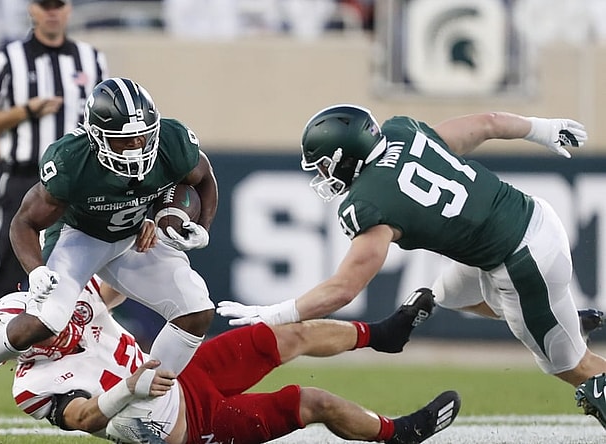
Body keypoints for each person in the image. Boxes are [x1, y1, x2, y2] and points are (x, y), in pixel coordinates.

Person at [216, 104, 606, 430]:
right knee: (448, 295)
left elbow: (342, 290)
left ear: (346, 157)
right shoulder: (403, 132)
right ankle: (560, 318)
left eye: (323, 166)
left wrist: (274, 313)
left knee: (572, 365)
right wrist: (542, 129)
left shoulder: (370, 203)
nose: (323, 177)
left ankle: (564, 334)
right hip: (534, 217)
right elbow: (487, 123)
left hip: (520, 261)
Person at [0, 77, 219, 423]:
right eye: (125, 142)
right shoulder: (71, 161)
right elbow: (23, 222)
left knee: (196, 309)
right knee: (49, 317)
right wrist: (36, 272)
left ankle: (147, 402)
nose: (137, 149)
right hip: (80, 237)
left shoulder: (172, 140)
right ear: (97, 137)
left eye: (142, 137)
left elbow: (204, 178)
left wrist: (200, 227)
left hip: (134, 236)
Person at [0, 275, 459, 444]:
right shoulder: (31, 386)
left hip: (179, 372)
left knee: (281, 336)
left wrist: (147, 236)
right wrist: (131, 388)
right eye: (39, 329)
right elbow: (85, 418)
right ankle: (399, 434)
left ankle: (383, 334)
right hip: (185, 423)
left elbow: (113, 285)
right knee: (311, 401)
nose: (54, 323)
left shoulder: (70, 306)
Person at [0, 0, 109, 410]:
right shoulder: (10, 57)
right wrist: (25, 112)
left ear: (69, 9)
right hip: (25, 177)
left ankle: (90, 368)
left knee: (97, 274)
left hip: (81, 182)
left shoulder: (91, 58)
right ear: (33, 10)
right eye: (45, 4)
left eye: (60, 4)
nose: (53, 12)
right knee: (3, 275)